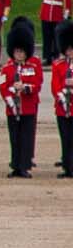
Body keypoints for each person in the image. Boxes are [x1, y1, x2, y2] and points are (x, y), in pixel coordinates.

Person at [0, 16, 42, 178]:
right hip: (12, 107)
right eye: (17, 51)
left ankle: (24, 165)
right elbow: (3, 86)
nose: (19, 54)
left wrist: (25, 88)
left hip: (28, 106)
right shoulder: (7, 68)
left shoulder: (33, 66)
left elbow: (37, 84)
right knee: (14, 137)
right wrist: (10, 98)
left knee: (26, 137)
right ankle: (15, 165)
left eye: (22, 51)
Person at [52, 20, 73, 177]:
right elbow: (55, 84)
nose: (70, 52)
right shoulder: (58, 65)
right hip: (62, 107)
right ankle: (67, 167)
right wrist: (61, 95)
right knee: (65, 139)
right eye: (68, 49)